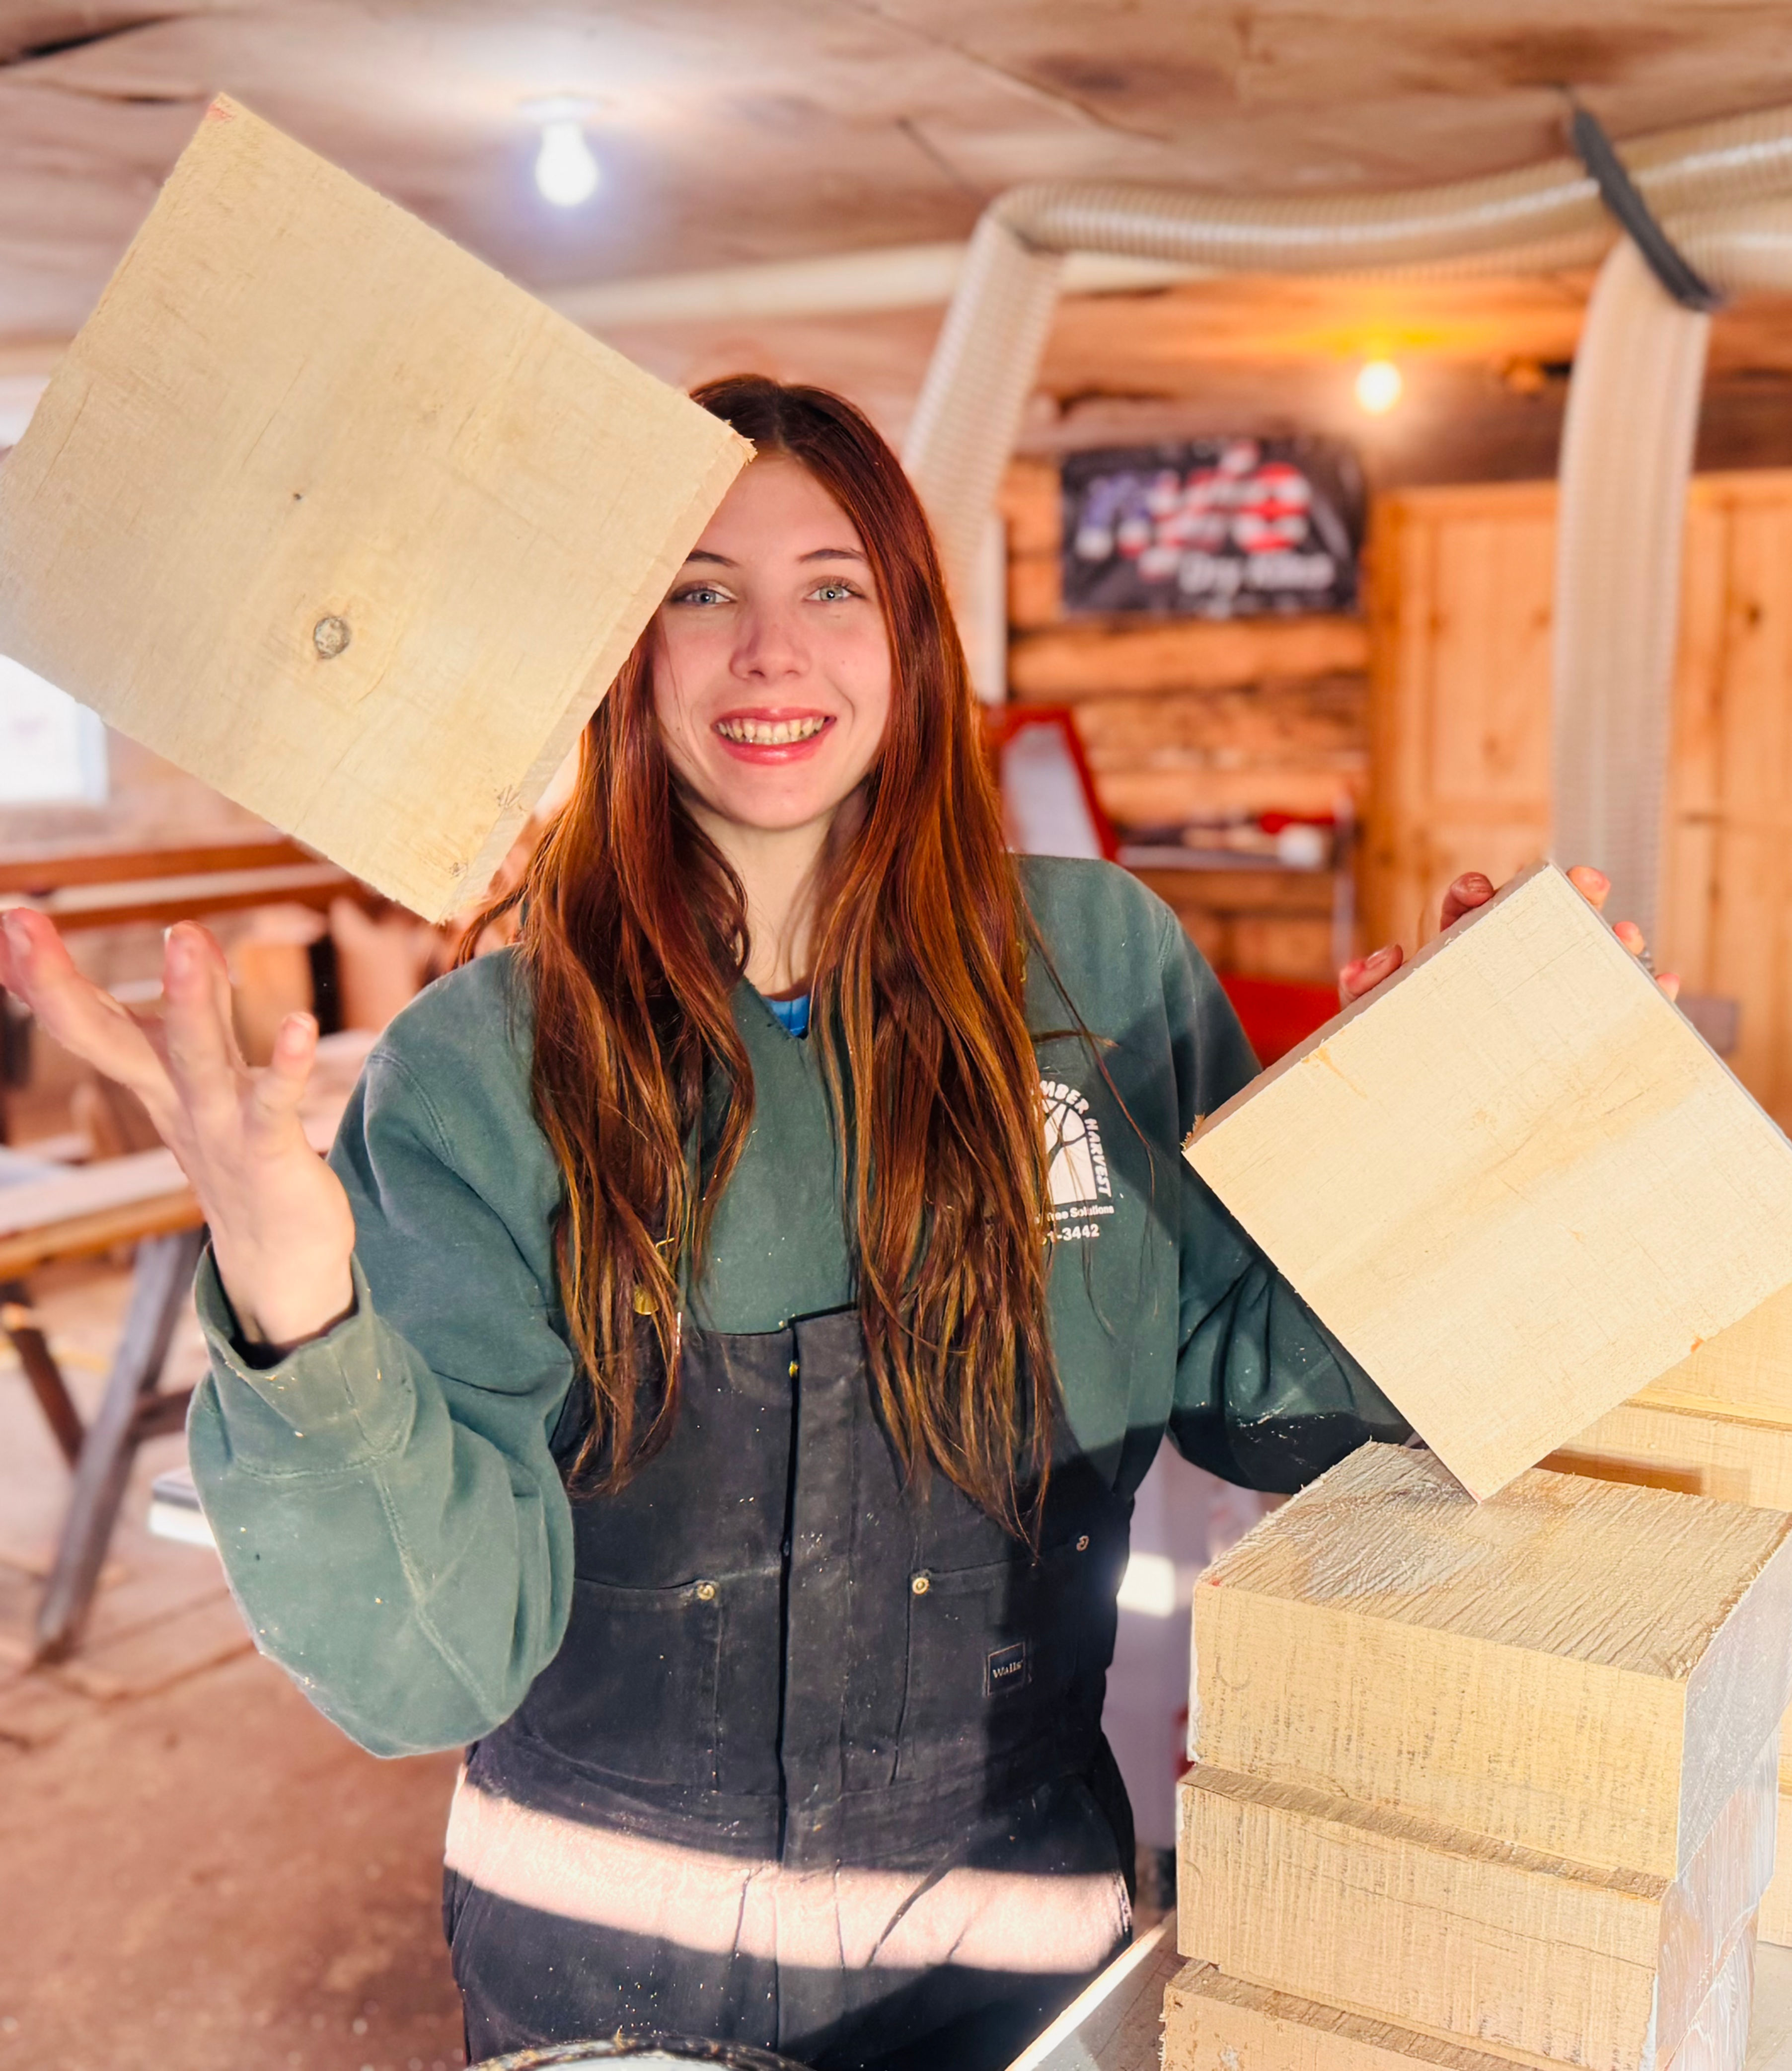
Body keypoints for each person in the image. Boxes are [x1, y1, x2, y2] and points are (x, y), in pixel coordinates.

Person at [0, 377, 1669, 2071]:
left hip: (1020, 1958)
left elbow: (1274, 1397)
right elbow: (430, 1659)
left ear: (915, 635)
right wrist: (301, 1318)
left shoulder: (1097, 980)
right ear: (624, 655)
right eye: (701, 592)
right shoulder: (488, 1065)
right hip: (605, 1984)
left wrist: (1471, 1133)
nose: (770, 654)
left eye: (834, 585)